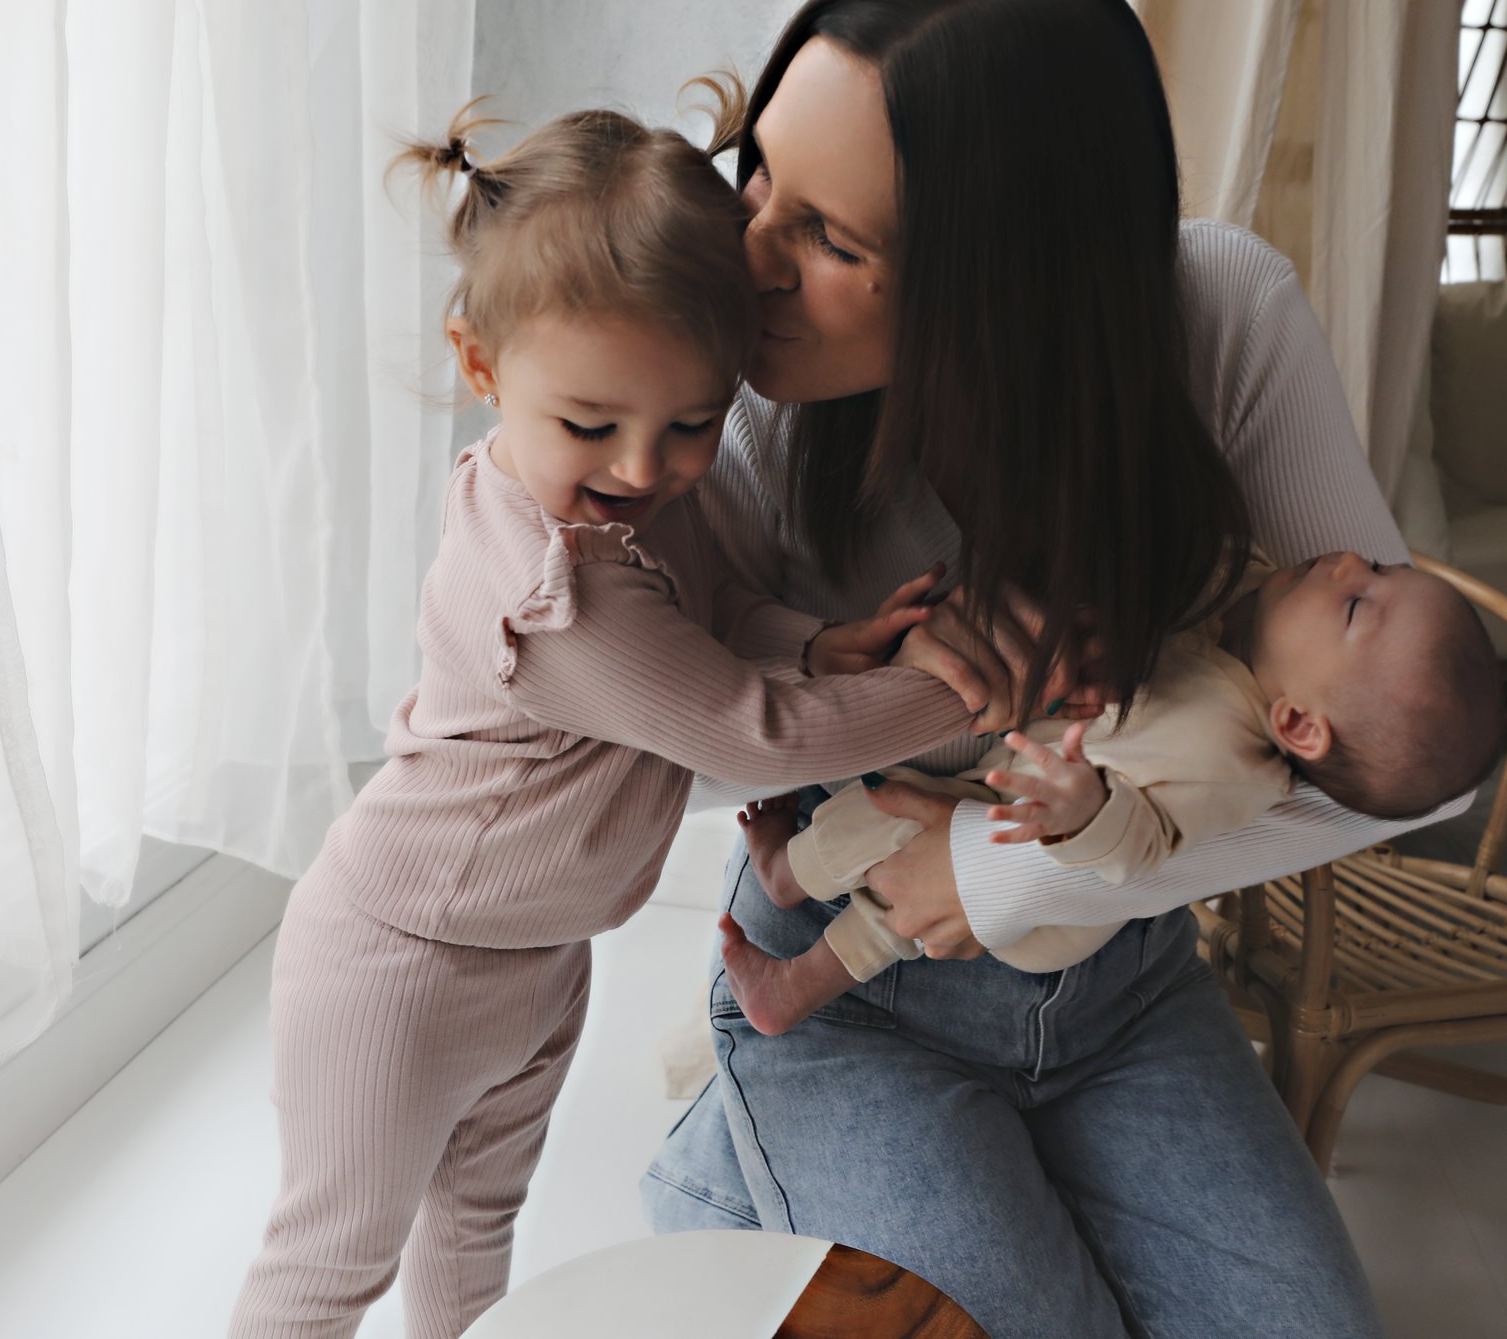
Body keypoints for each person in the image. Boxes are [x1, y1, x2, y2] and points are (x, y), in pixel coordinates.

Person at [642, 0, 1481, 1339]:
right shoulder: (725, 396)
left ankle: (874, 1179)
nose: (749, 260)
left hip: (1121, 987)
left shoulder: (1217, 317)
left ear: (1009, 275)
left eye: (833, 242)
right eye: (755, 175)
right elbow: (651, 765)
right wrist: (894, 688)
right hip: (854, 993)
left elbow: (1405, 762)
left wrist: (998, 870)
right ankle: (729, 1167)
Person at [226, 102, 984, 1339]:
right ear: (481, 366)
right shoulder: (550, 589)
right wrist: (957, 687)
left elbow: (720, 604)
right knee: (328, 1260)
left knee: (473, 1225)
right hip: (400, 962)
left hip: (536, 952)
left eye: (693, 422)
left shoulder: (635, 501)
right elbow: (754, 737)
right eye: (594, 425)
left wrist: (816, 641)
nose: (646, 464)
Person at [718, 552, 1505, 1034]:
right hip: (1015, 790)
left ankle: (790, 945)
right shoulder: (1257, 607)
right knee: (893, 822)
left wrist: (1086, 814)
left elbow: (1144, 849)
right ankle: (791, 893)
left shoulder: (1229, 763)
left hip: (1054, 897)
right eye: (1374, 562)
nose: (1341, 564)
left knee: (884, 838)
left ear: (1298, 725)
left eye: (1356, 603)